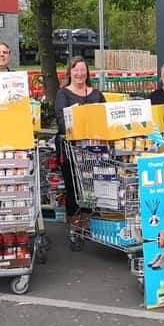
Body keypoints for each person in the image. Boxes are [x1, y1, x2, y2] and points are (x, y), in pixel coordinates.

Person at [54, 57, 106, 233]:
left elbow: (105, 118)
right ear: (70, 72)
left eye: (83, 70)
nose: (79, 73)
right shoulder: (63, 94)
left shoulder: (96, 94)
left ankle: (88, 220)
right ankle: (75, 223)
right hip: (70, 148)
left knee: (91, 184)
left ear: (87, 73)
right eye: (76, 70)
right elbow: (61, 122)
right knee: (73, 186)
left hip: (93, 148)